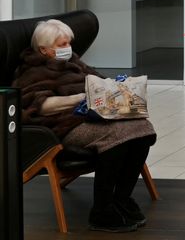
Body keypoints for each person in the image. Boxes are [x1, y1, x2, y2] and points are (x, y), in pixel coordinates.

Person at [13, 19, 156, 233]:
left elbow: (98, 81)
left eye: (68, 43)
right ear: (44, 49)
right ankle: (101, 210)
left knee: (142, 128)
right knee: (119, 134)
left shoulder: (73, 61)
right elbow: (40, 106)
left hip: (90, 117)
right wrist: (81, 97)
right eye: (62, 45)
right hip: (63, 127)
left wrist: (117, 89)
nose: (67, 49)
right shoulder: (33, 71)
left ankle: (121, 199)